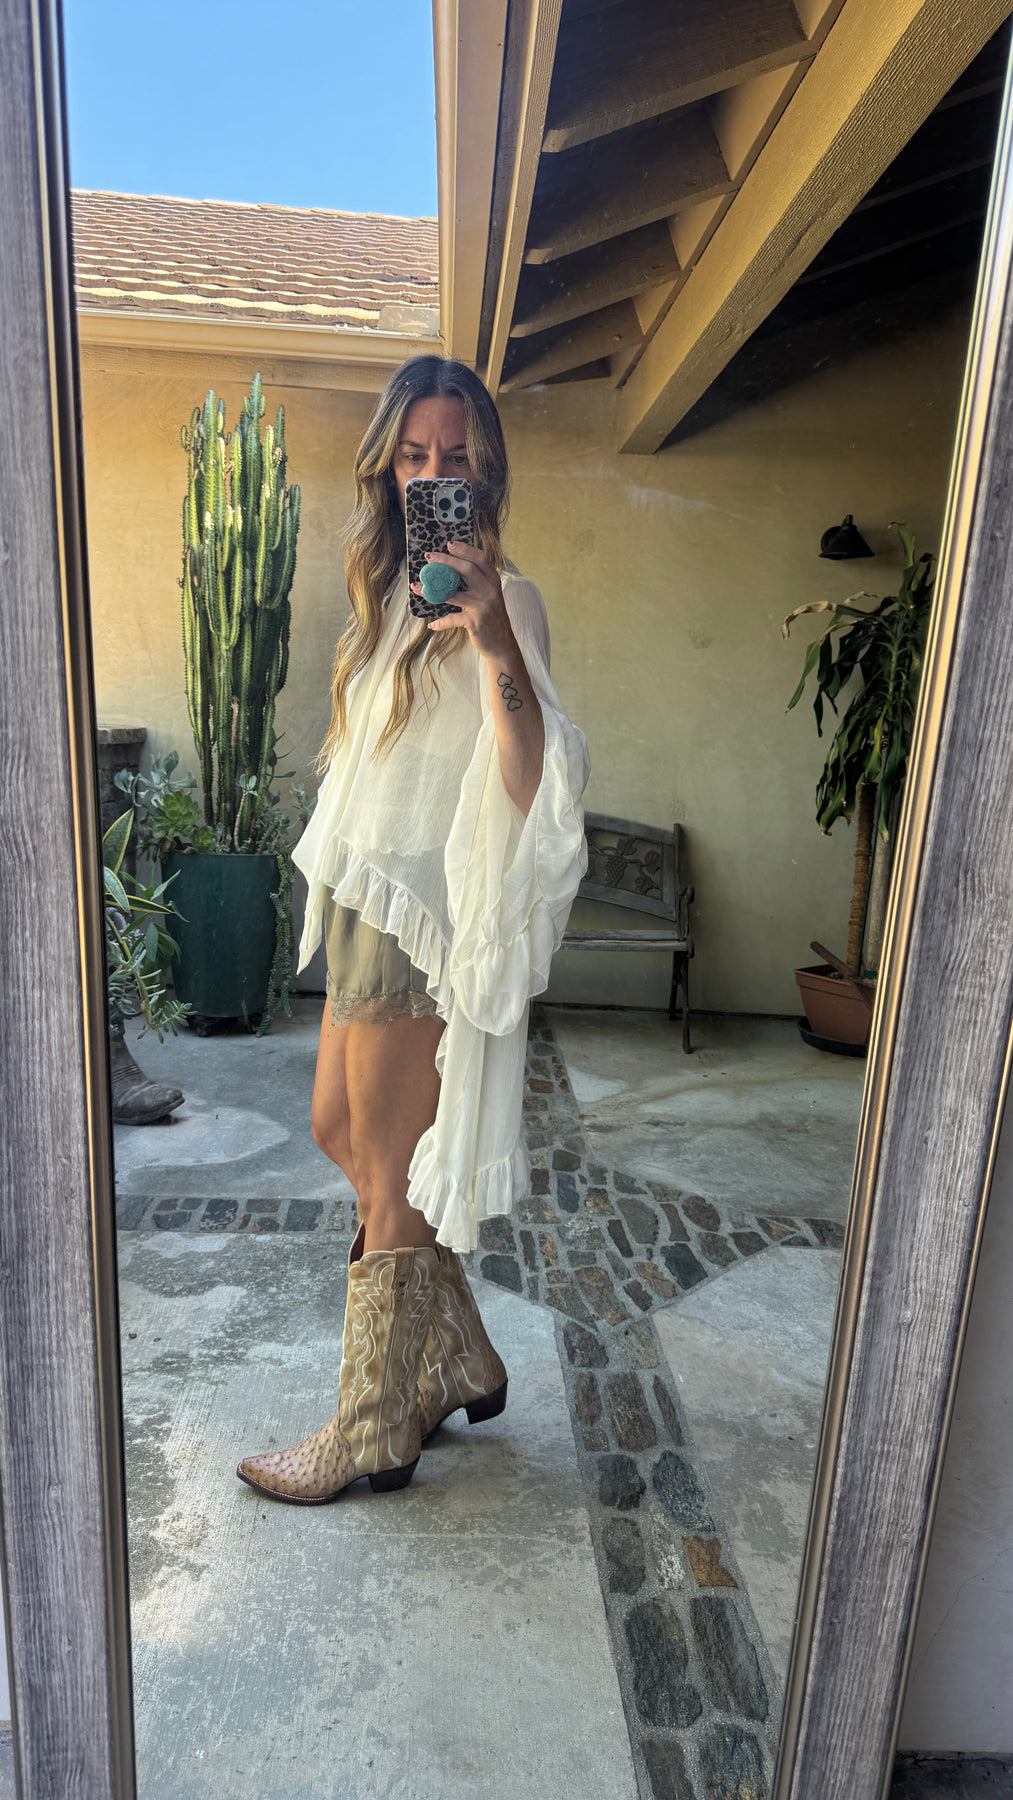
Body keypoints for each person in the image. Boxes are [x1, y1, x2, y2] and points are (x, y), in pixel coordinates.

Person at [237, 355, 589, 1504]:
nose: (433, 475)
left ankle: (370, 1428)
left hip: (424, 922)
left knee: (388, 1170)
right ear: (388, 467)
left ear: (486, 474)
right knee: (338, 1127)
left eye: (456, 458)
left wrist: (491, 643)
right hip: (362, 896)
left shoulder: (509, 603)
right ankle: (460, 1354)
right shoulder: (390, 596)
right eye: (414, 456)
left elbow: (530, 778)